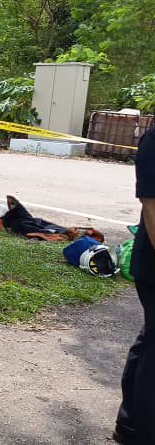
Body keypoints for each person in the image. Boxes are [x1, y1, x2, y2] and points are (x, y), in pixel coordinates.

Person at [114, 124, 155, 444]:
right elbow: (152, 208)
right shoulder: (153, 141)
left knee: (150, 339)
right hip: (153, 263)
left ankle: (131, 423)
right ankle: (138, 428)